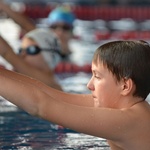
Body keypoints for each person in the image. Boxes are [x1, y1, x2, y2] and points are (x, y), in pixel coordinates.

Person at [0, 40, 150, 150]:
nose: (89, 85)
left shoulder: (131, 121)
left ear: (125, 86)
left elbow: (40, 106)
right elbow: (49, 93)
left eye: (97, 76)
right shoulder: (122, 107)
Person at [0, 1, 76, 60]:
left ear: (72, 31)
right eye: (54, 27)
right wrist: (3, 6)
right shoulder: (44, 46)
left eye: (65, 27)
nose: (60, 32)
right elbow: (25, 25)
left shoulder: (77, 57)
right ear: (49, 29)